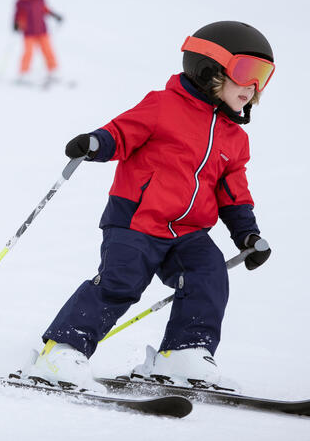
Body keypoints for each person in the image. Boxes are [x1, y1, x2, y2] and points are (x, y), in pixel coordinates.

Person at [25, 21, 275, 392]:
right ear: (209, 69)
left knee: (208, 277)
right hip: (136, 223)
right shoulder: (162, 106)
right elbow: (123, 133)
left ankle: (184, 353)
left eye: (264, 76)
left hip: (189, 233)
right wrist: (97, 143)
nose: (254, 86)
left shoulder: (235, 139)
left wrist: (247, 233)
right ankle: (62, 350)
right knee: (119, 283)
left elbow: (233, 192)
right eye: (246, 72)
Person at [13, 0, 63, 82]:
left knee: (48, 50)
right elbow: (19, 15)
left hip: (42, 30)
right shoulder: (22, 2)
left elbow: (44, 10)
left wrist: (54, 15)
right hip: (29, 32)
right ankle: (23, 73)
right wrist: (17, 24)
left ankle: (53, 70)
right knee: (28, 53)